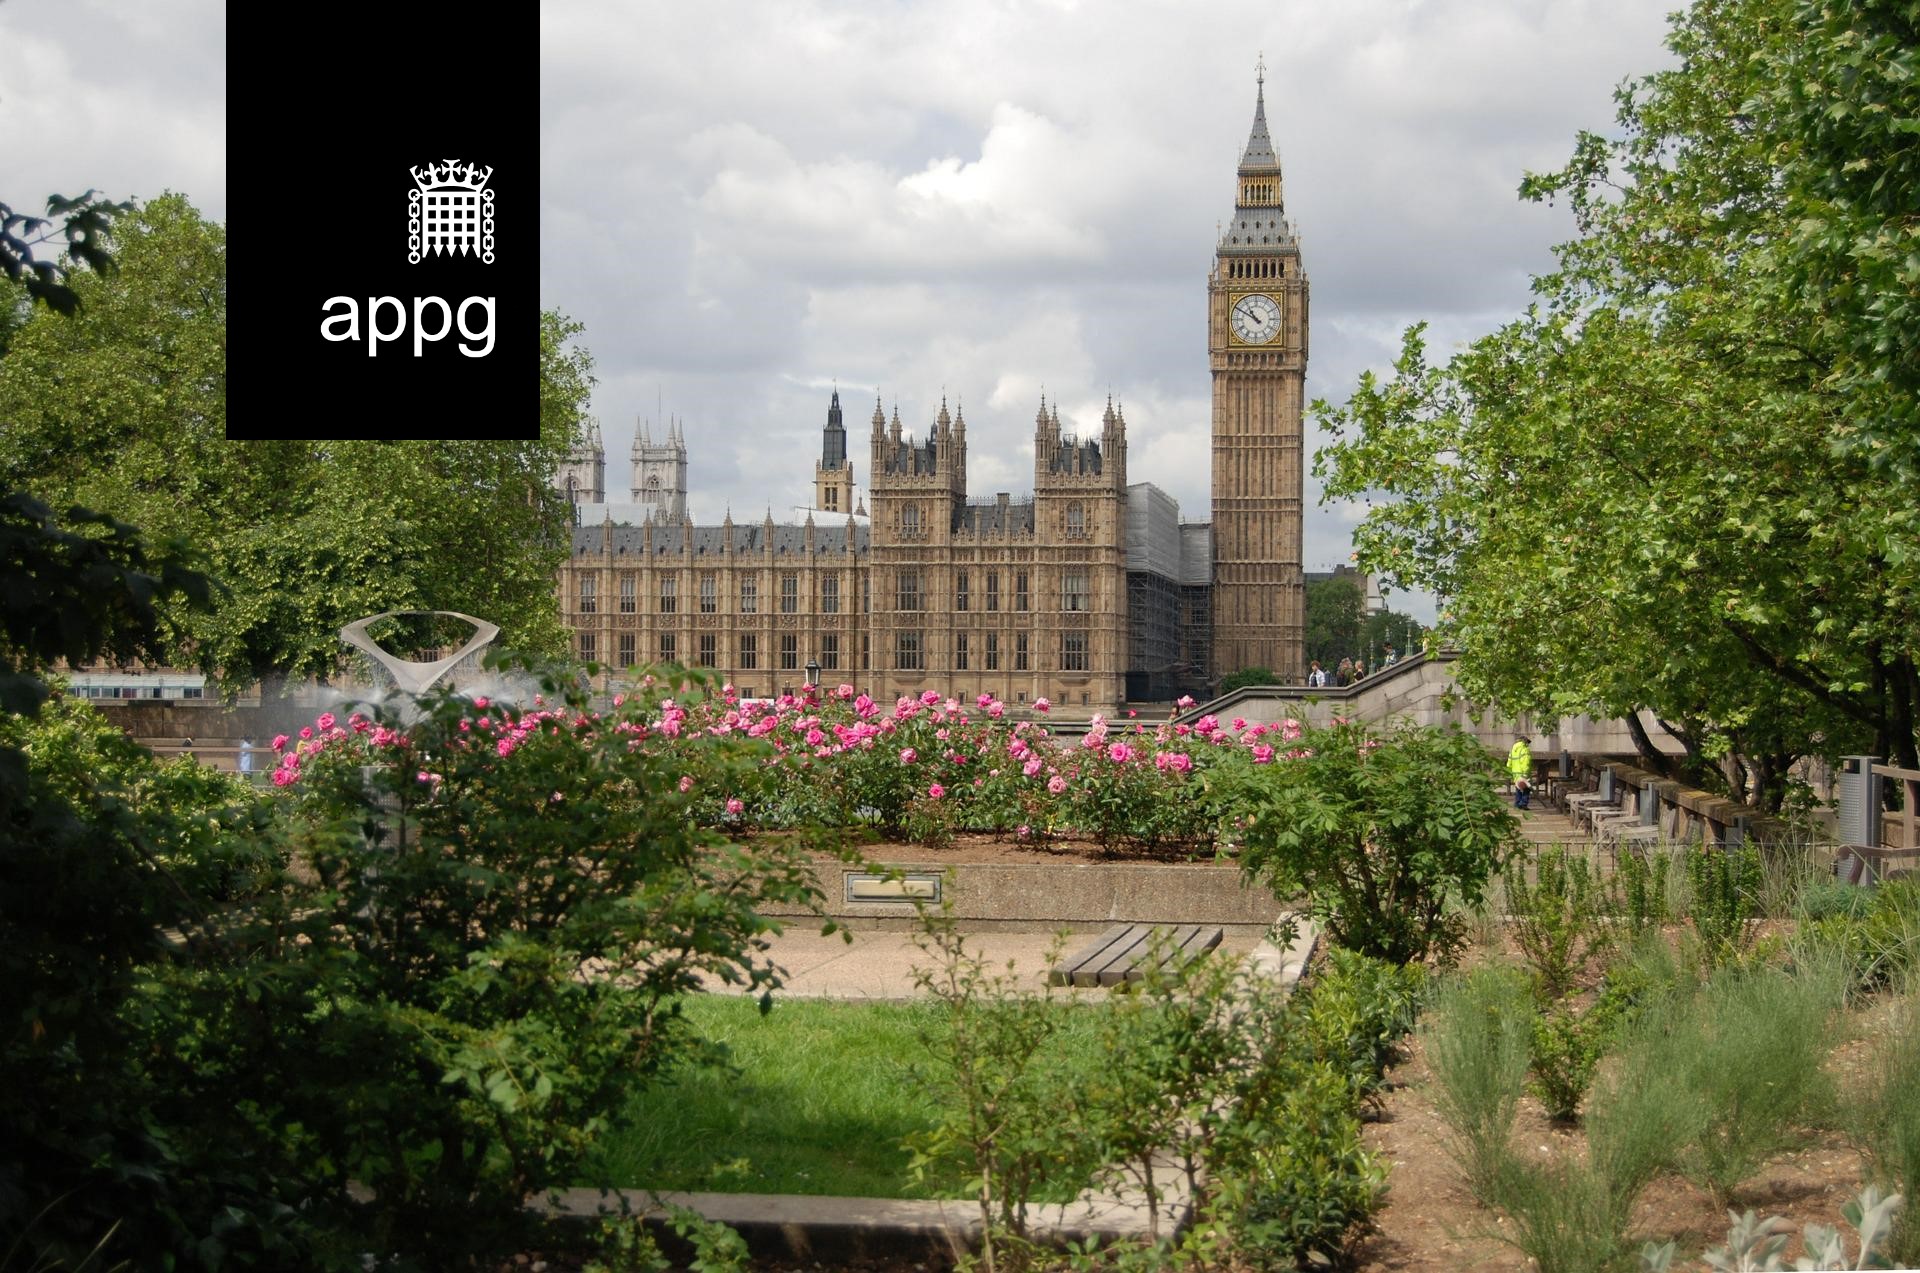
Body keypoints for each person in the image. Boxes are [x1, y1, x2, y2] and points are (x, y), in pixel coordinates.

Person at [1508, 734, 1533, 810]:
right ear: (1525, 742)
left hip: (1515, 773)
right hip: (1523, 773)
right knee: (1527, 789)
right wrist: (1525, 774)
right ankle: (1523, 804)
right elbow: (1526, 763)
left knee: (1518, 788)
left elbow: (1509, 763)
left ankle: (1517, 803)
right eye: (1527, 743)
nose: (1528, 745)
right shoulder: (1525, 749)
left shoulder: (1513, 749)